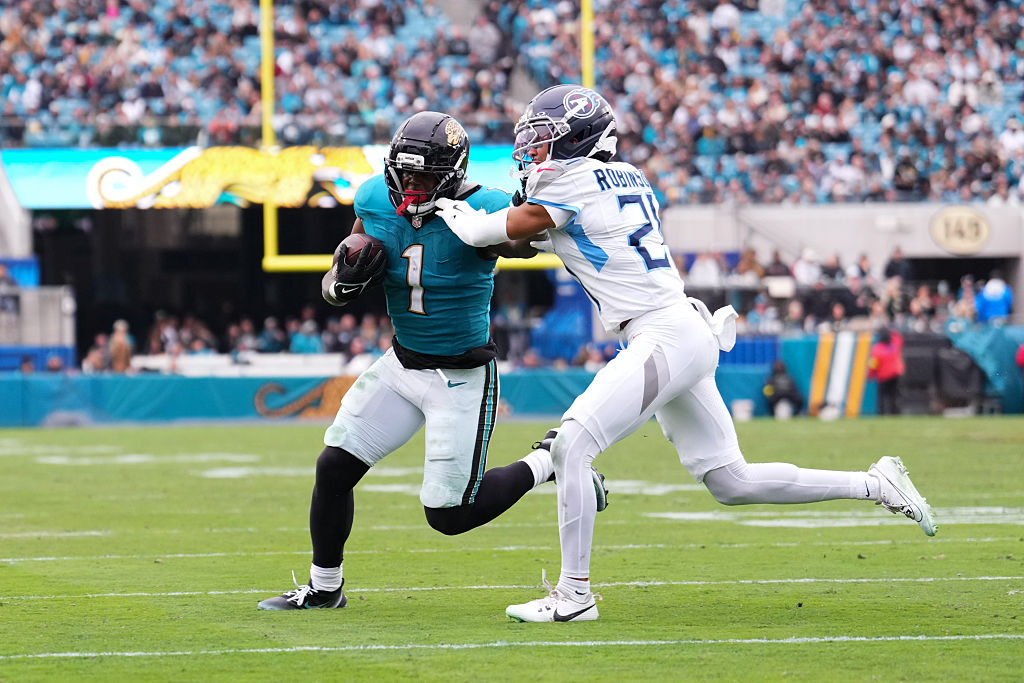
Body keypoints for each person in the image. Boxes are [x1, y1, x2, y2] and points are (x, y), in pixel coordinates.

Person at [435, 84, 936, 623]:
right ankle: (874, 483)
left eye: (543, 140)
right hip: (681, 331)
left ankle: (574, 596)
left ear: (579, 140)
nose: (531, 151)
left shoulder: (575, 181)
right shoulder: (620, 176)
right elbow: (528, 236)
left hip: (663, 334)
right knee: (731, 480)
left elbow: (498, 230)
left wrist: (452, 210)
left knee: (572, 447)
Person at [257, 111, 607, 611]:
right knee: (333, 467)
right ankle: (324, 588)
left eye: (426, 176)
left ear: (453, 172)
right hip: (400, 366)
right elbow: (338, 277)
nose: (414, 186)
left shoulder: (483, 206)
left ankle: (546, 462)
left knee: (448, 515)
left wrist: (492, 231)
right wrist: (341, 284)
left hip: (460, 376)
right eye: (407, 174)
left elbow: (520, 245)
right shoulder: (376, 198)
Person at [868, 328, 905, 415]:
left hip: (883, 376)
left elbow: (873, 364)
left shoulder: (877, 349)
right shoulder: (895, 345)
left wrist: (870, 375)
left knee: (882, 397)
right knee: (894, 396)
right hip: (895, 375)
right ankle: (895, 413)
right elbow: (899, 337)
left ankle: (882, 413)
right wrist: (891, 331)